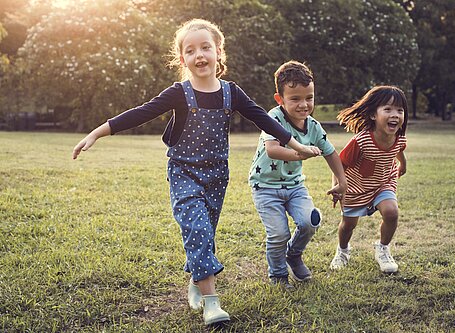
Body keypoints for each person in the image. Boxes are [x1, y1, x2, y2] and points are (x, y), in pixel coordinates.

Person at [72, 19, 320, 326]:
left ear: (218, 52)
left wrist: (298, 145)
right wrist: (96, 132)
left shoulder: (231, 93)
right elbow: (141, 112)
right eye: (190, 50)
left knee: (205, 233)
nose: (199, 55)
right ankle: (211, 303)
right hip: (183, 173)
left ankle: (195, 281)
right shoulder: (179, 93)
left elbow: (264, 120)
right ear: (182, 59)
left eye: (205, 47)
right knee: (198, 230)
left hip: (217, 175)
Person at [248, 60, 347, 287]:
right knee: (279, 234)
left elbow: (330, 153)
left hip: (294, 187)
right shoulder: (273, 118)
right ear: (280, 99)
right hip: (265, 187)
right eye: (295, 99)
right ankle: (278, 275)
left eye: (309, 98)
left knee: (309, 222)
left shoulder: (313, 126)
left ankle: (293, 255)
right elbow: (272, 150)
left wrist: (342, 182)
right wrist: (300, 153)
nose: (304, 104)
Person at [329, 86, 408, 273]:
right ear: (373, 115)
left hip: (383, 183)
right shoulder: (361, 141)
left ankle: (382, 248)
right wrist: (337, 186)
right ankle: (342, 251)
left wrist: (402, 165)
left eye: (400, 110)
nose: (395, 114)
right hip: (355, 187)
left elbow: (399, 150)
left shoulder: (399, 138)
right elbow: (340, 164)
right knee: (348, 225)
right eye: (388, 109)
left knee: (391, 213)